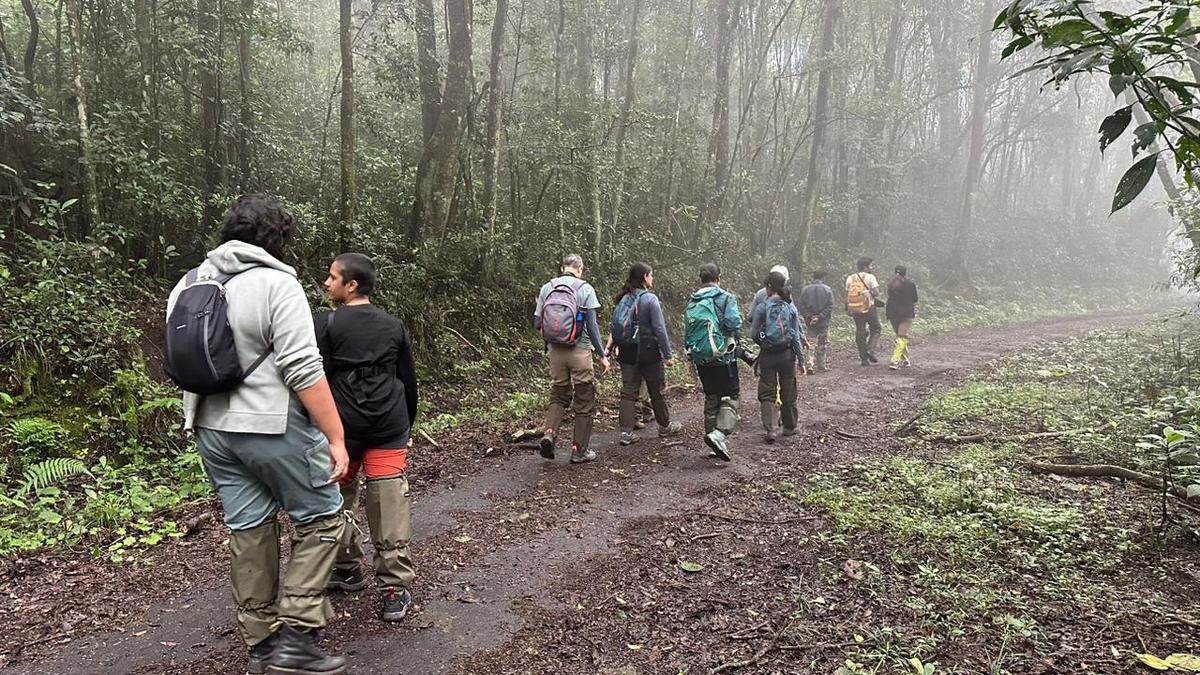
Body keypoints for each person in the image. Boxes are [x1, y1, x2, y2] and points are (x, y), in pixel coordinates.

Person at [166, 194, 349, 675]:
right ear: (279, 239)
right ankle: (296, 633)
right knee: (324, 518)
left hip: (209, 429)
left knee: (249, 527)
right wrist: (334, 436)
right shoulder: (276, 284)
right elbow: (303, 367)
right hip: (271, 426)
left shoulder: (188, 283)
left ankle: (261, 640)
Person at [315, 253, 418, 623]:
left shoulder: (325, 325)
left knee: (336, 495)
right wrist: (407, 424)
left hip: (343, 429)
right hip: (389, 424)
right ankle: (395, 586)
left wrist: (318, 428)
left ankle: (346, 565)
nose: (327, 283)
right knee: (388, 500)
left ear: (351, 285)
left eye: (332, 277)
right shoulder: (393, 325)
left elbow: (314, 379)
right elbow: (408, 380)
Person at [534, 254, 611, 463]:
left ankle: (549, 433)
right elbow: (593, 327)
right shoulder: (585, 288)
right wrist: (602, 355)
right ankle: (579, 450)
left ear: (562, 268)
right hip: (580, 351)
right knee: (584, 399)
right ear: (580, 269)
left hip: (555, 351)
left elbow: (536, 323)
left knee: (559, 393)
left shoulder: (546, 288)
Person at [609, 262, 684, 446]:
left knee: (628, 392)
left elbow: (615, 327)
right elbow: (659, 329)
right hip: (648, 352)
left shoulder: (623, 298)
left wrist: (608, 350)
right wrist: (668, 355)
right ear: (644, 277)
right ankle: (665, 427)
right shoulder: (650, 300)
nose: (652, 278)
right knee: (656, 390)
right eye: (651, 275)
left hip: (626, 351)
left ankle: (626, 433)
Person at [683, 263, 743, 461]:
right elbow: (733, 323)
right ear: (718, 278)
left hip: (701, 357)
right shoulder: (725, 298)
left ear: (701, 279)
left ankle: (713, 441)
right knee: (730, 397)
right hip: (723, 356)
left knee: (711, 397)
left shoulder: (693, 301)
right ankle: (718, 435)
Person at [751, 270, 805, 443]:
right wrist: (801, 359)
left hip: (768, 356)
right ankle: (790, 427)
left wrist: (764, 343)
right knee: (789, 389)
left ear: (768, 286)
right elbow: (795, 336)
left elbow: (753, 334)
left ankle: (772, 428)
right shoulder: (790, 307)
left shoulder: (762, 307)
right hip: (787, 355)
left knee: (768, 392)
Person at [845, 257, 883, 366]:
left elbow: (847, 295)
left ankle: (863, 359)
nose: (872, 267)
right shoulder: (870, 277)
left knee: (860, 331)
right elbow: (876, 293)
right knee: (876, 328)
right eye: (870, 265)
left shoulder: (850, 278)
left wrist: (848, 307)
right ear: (865, 267)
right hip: (869, 306)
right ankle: (870, 350)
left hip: (855, 307)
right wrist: (869, 292)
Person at [798, 269, 834, 373]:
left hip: (810, 321)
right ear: (823, 278)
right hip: (823, 321)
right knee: (822, 342)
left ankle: (809, 365)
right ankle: (822, 365)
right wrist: (820, 316)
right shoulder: (827, 289)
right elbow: (830, 305)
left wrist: (809, 316)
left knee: (810, 342)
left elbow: (801, 305)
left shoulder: (805, 290)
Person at [886, 265, 919, 369]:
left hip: (892, 312)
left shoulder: (891, 284)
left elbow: (889, 296)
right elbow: (915, 299)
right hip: (906, 312)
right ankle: (894, 361)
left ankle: (906, 360)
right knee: (901, 337)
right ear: (905, 272)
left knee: (899, 336)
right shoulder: (910, 284)